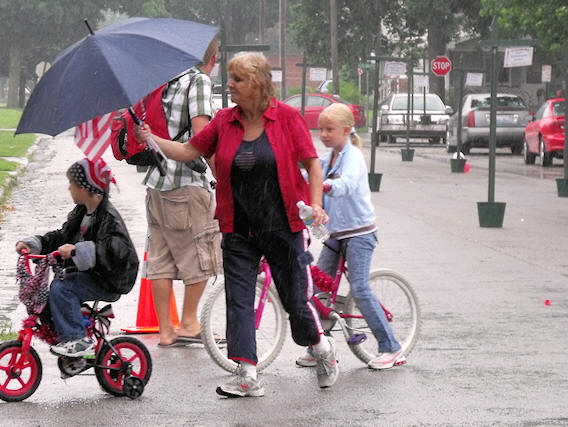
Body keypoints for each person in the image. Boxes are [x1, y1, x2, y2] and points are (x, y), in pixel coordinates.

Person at [135, 52, 338, 397]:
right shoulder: (224, 121)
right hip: (238, 228)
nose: (229, 85)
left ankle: (321, 348)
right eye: (229, 78)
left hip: (283, 226)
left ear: (257, 84)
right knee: (239, 300)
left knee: (295, 302)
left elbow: (312, 165)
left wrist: (316, 204)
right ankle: (247, 375)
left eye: (238, 80)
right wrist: (150, 139)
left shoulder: (286, 118)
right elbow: (188, 151)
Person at [295, 103, 405, 370]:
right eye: (321, 129)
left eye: (329, 129)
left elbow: (347, 184)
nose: (323, 134)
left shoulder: (352, 156)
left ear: (346, 130)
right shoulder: (327, 158)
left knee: (360, 288)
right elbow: (307, 174)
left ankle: (392, 348)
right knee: (317, 290)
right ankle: (319, 347)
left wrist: (325, 185)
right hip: (335, 235)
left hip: (359, 234)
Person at [128, 38, 222, 347]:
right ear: (213, 58)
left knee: (161, 258)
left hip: (157, 182)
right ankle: (190, 323)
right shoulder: (198, 82)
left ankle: (166, 330)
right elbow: (202, 136)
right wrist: (220, 175)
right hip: (186, 182)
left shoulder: (165, 81)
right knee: (200, 254)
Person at [15, 158, 139, 357]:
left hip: (110, 280)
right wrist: (36, 244)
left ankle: (77, 339)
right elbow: (62, 237)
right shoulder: (82, 212)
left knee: (63, 288)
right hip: (94, 275)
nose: (69, 188)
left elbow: (115, 252)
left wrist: (76, 251)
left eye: (71, 183)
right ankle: (68, 334)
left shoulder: (109, 218)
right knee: (59, 285)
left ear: (84, 187)